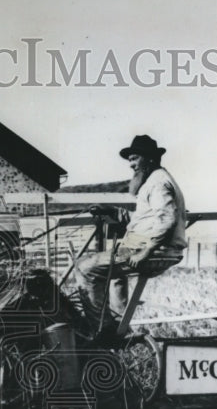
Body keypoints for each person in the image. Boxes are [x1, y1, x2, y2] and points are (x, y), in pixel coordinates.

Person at [77, 134, 187, 337]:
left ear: (150, 159)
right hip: (152, 248)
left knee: (85, 268)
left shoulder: (158, 183)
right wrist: (112, 210)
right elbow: (143, 219)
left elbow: (166, 219)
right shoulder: (154, 180)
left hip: (155, 251)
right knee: (111, 273)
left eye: (135, 158)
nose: (131, 164)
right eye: (130, 160)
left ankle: (103, 332)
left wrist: (146, 251)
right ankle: (119, 327)